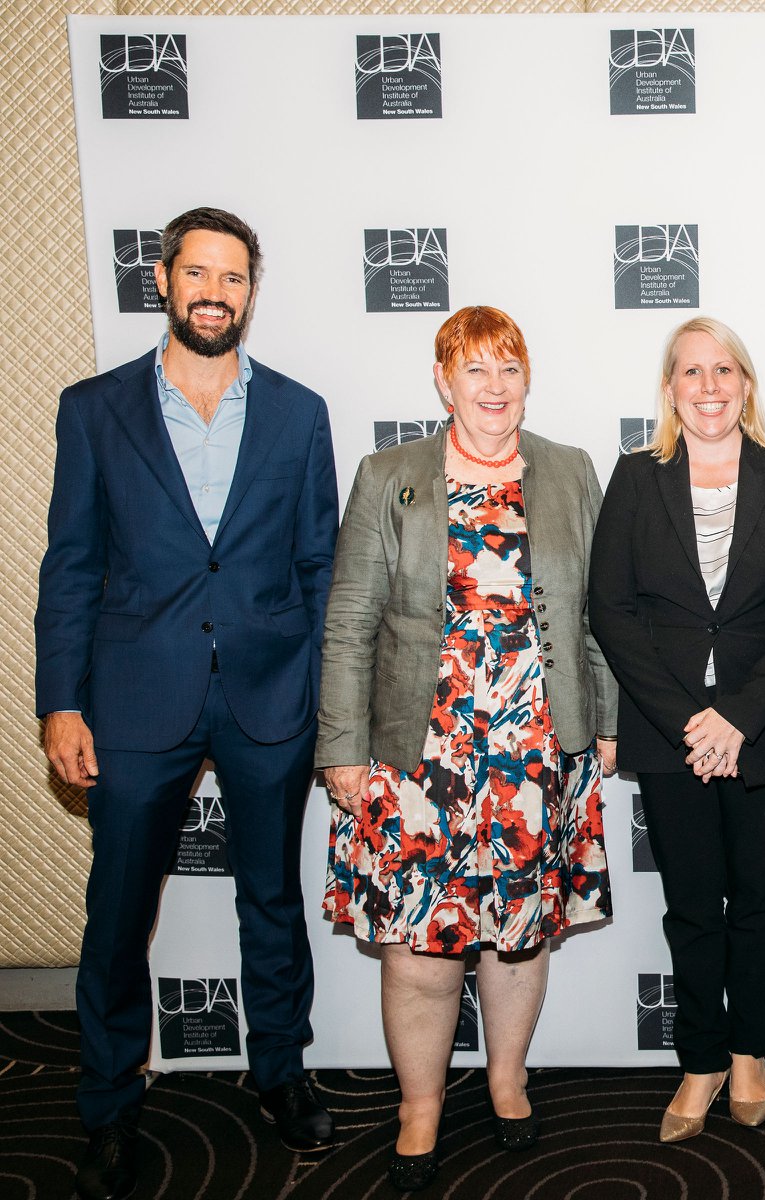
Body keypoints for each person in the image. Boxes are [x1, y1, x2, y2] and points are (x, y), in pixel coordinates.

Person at [35, 206, 339, 1200]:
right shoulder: (94, 409)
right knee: (119, 912)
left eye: (235, 276)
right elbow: (72, 566)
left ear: (252, 291)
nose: (216, 291)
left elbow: (317, 565)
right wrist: (61, 704)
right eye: (198, 273)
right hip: (133, 699)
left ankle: (280, 1072)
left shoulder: (299, 413)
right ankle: (111, 1104)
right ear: (162, 280)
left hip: (266, 698)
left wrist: (314, 692)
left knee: (271, 898)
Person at [316, 305, 618, 1192]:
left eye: (508, 369)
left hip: (535, 754)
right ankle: (420, 1106)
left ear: (528, 380)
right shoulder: (389, 475)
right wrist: (342, 746)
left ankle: (507, 1080)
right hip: (418, 758)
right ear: (442, 381)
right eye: (474, 370)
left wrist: (604, 724)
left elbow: (598, 614)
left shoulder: (567, 472)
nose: (493, 387)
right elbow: (348, 622)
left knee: (519, 939)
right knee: (419, 943)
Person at [590, 316, 765, 1142]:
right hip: (669, 734)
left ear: (747, 384)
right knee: (692, 905)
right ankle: (700, 1061)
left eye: (724, 370)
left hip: (762, 730)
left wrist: (738, 716)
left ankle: (751, 1051)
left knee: (757, 899)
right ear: (670, 390)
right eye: (691, 372)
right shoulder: (635, 478)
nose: (709, 387)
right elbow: (610, 612)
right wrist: (692, 718)